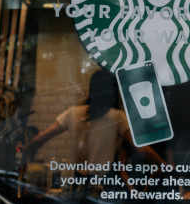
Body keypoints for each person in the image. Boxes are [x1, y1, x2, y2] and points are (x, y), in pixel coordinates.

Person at [20, 69, 165, 189]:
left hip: (78, 183)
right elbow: (141, 148)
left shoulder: (72, 113)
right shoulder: (117, 117)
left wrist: (24, 158)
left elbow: (40, 138)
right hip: (103, 183)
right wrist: (163, 164)